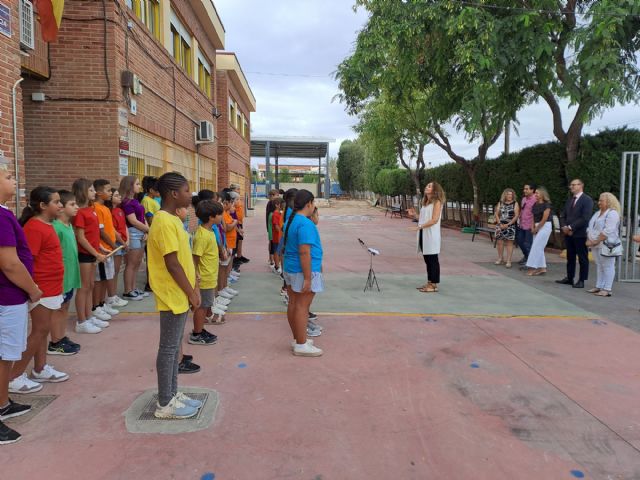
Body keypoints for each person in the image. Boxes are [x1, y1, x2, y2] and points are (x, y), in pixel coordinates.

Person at [147, 172, 203, 419]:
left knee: (174, 347)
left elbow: (182, 258)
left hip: (180, 293)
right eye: (186, 190)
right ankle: (164, 403)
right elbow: (172, 264)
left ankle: (173, 393)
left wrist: (194, 286)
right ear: (173, 194)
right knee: (169, 349)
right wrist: (191, 292)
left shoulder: (174, 220)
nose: (190, 194)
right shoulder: (164, 221)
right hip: (173, 293)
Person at [10, 187, 68, 394]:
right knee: (40, 330)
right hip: (41, 288)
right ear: (43, 206)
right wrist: (33, 288)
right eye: (56, 202)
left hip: (52, 287)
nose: (60, 205)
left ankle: (40, 368)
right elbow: (27, 260)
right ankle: (13, 376)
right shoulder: (34, 228)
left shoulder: (47, 225)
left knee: (43, 331)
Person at [0, 162, 41, 444]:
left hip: (11, 297)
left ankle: (3, 402)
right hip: (7, 296)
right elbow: (10, 263)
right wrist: (33, 289)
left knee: (7, 356)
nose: (14, 180)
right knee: (3, 357)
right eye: (7, 176)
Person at [283, 189, 324, 357]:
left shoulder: (291, 220)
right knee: (302, 307)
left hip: (291, 268)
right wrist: (308, 277)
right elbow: (304, 252)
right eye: (313, 203)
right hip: (302, 270)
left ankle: (298, 339)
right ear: (309, 204)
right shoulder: (305, 224)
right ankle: (301, 344)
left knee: (294, 304)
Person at [72, 179, 108, 334]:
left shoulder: (91, 209)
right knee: (84, 287)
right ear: (83, 192)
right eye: (91, 190)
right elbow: (81, 237)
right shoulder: (80, 212)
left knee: (90, 286)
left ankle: (89, 316)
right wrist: (95, 253)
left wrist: (100, 248)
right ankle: (81, 321)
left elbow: (93, 234)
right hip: (85, 255)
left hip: (93, 253)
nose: (94, 192)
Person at [49, 190, 82, 355]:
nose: (76, 207)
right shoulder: (55, 228)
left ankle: (61, 337)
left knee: (65, 307)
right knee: (58, 309)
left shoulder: (68, 226)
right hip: (61, 277)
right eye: (72, 204)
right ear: (61, 208)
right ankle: (55, 342)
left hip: (70, 275)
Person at [191, 200, 224, 344]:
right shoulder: (202, 235)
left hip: (209, 276)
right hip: (203, 278)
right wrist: (195, 275)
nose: (222, 217)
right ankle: (197, 334)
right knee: (201, 307)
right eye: (220, 214)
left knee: (205, 305)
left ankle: (200, 329)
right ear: (211, 217)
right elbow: (195, 257)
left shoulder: (209, 231)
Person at [556, 179, 594, 289]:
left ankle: (582, 280)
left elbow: (585, 218)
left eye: (573, 185)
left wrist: (570, 227)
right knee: (570, 257)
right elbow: (563, 215)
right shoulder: (570, 200)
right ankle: (569, 277)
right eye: (570, 185)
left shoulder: (587, 200)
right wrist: (564, 226)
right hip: (568, 234)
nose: (571, 187)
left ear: (581, 185)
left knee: (582, 258)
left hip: (580, 234)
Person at [408, 182, 445, 293]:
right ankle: (429, 282)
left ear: (434, 190)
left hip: (431, 235)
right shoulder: (426, 202)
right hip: (424, 235)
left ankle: (433, 285)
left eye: (429, 186)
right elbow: (423, 217)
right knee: (427, 260)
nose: (426, 187)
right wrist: (414, 215)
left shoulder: (437, 202)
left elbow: (434, 220)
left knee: (433, 260)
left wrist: (419, 227)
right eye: (427, 186)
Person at [92, 180, 120, 320]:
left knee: (104, 279)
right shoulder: (96, 208)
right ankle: (95, 306)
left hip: (109, 249)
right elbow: (101, 231)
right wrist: (112, 244)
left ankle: (102, 303)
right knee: (99, 280)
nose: (110, 193)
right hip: (103, 249)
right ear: (99, 192)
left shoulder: (105, 208)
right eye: (108, 191)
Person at [119, 176, 150, 301]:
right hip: (133, 233)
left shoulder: (136, 200)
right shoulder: (126, 202)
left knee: (137, 263)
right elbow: (132, 220)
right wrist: (148, 230)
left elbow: (142, 218)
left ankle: (134, 288)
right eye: (137, 184)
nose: (139, 186)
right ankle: (128, 290)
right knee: (131, 264)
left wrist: (147, 230)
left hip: (141, 232)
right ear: (129, 186)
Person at [586, 193, 621, 297]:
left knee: (608, 266)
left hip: (607, 244)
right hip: (595, 243)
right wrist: (589, 239)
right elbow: (590, 227)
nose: (599, 202)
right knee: (599, 265)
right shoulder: (597, 213)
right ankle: (599, 286)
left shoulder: (612, 213)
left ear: (609, 202)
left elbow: (608, 230)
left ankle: (607, 289)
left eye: (602, 200)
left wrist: (594, 241)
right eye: (599, 200)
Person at [105, 188, 129, 309]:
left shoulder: (120, 210)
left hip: (123, 242)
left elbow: (124, 226)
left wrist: (127, 240)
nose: (119, 197)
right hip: (116, 243)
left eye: (119, 195)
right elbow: (112, 229)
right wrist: (121, 241)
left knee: (116, 271)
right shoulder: (108, 211)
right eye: (116, 195)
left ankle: (113, 296)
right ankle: (111, 296)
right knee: (112, 272)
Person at [525, 187, 553, 276]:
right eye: (535, 193)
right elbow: (533, 217)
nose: (535, 194)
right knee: (539, 247)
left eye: (537, 193)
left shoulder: (547, 204)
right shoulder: (535, 204)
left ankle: (532, 267)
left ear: (542, 194)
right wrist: (532, 227)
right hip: (537, 226)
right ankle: (542, 268)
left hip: (545, 226)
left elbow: (544, 219)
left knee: (536, 247)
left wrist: (537, 229)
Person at [494, 188, 520, 268]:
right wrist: (499, 223)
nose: (510, 196)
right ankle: (500, 258)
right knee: (499, 242)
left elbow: (516, 215)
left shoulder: (515, 203)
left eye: (511, 195)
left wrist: (508, 224)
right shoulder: (500, 203)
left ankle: (508, 260)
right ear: (505, 195)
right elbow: (496, 213)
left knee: (509, 243)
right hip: (500, 225)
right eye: (508, 194)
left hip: (510, 226)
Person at [517, 183, 537, 268]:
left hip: (530, 225)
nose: (524, 190)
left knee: (528, 244)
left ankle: (530, 261)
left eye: (527, 189)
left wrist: (535, 226)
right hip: (522, 224)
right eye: (524, 189)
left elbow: (536, 214)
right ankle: (526, 256)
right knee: (520, 241)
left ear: (532, 190)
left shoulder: (535, 199)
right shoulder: (524, 199)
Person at [230, 184, 249, 264]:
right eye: (238, 189)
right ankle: (236, 258)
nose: (239, 190)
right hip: (235, 222)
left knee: (240, 239)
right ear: (233, 189)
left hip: (239, 222)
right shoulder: (232, 200)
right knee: (237, 239)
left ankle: (239, 255)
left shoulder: (237, 198)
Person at [271, 198, 284, 275]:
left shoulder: (279, 213)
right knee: (276, 251)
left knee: (278, 251)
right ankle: (277, 266)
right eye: (280, 204)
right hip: (276, 236)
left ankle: (277, 265)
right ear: (277, 205)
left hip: (279, 236)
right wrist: (281, 233)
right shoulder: (275, 214)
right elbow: (276, 226)